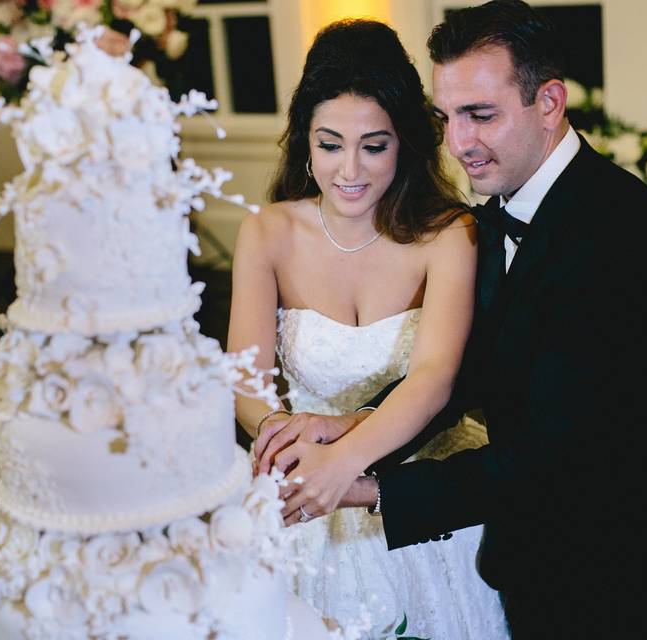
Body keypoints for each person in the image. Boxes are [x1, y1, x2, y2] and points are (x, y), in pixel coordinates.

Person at [272, 2, 647, 638]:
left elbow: (557, 459)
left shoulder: (625, 242)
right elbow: (478, 369)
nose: (459, 143)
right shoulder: (499, 215)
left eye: (481, 115)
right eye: (446, 117)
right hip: (533, 562)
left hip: (618, 580)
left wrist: (365, 488)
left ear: (550, 102)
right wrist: (352, 425)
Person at [227, 19, 509, 639]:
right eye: (330, 145)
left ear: (405, 143)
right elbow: (246, 382)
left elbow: (434, 377)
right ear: (305, 141)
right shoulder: (268, 232)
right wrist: (284, 440)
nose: (349, 169)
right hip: (298, 485)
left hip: (417, 485)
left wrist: (347, 462)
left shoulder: (449, 232)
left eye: (373, 146)